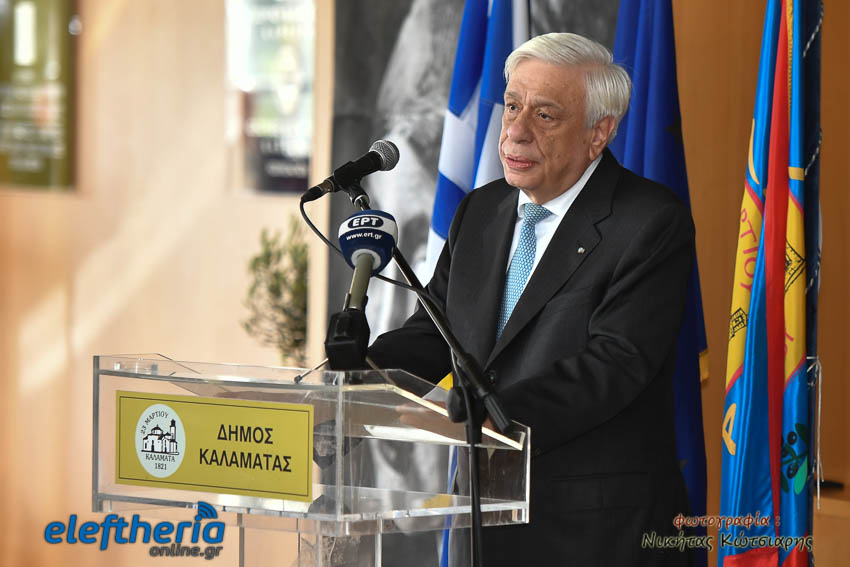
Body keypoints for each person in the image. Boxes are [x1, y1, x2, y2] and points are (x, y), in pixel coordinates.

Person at [368, 32, 695, 566]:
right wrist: (357, 375)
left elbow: (614, 364)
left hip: (595, 535)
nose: (516, 131)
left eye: (544, 116)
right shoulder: (481, 210)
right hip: (484, 520)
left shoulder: (649, 222)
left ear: (599, 132)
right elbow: (436, 330)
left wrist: (492, 414)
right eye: (513, 106)